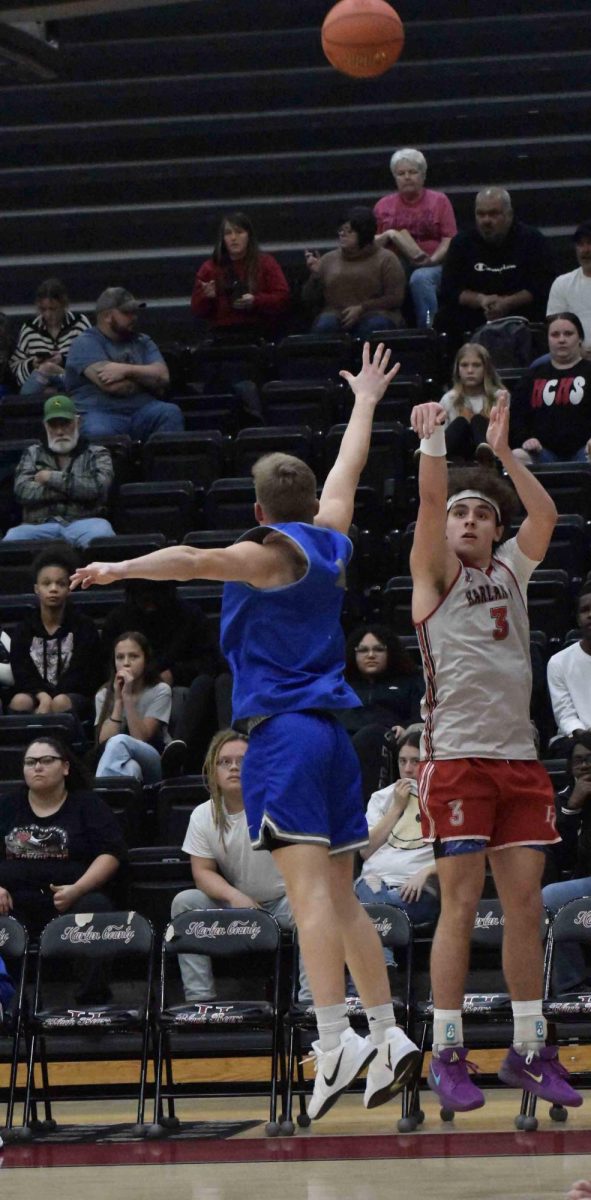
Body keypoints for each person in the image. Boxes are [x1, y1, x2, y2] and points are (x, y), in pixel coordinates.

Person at [71, 341, 421, 1123]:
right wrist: (364, 401)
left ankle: (334, 1043)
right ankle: (391, 1034)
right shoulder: (330, 536)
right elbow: (346, 474)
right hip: (334, 736)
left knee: (310, 902)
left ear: (259, 512)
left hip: (286, 736)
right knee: (341, 894)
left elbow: (192, 559)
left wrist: (119, 571)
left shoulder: (263, 557)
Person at [409, 392, 581, 1114]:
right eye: (459, 513)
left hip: (518, 760)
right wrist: (433, 445)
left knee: (521, 907)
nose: (468, 519)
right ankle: (446, 1052)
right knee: (459, 903)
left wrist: (506, 453)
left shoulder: (512, 567)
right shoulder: (432, 575)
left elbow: (546, 518)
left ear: (494, 528)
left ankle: (529, 1048)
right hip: (456, 760)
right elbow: (427, 503)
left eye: (480, 512)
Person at [171, 728, 310, 1003]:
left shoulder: (280, 803)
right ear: (213, 768)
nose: (234, 767)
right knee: (184, 902)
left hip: (287, 900)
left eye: (243, 760)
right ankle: (200, 1002)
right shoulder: (203, 814)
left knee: (313, 904)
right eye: (225, 761)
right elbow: (202, 872)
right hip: (239, 901)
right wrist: (236, 897)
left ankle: (310, 1002)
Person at [0, 736, 125, 934]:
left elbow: (110, 854)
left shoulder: (88, 805)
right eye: (30, 762)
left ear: (65, 767)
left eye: (47, 760)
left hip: (71, 900)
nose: (37, 767)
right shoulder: (7, 806)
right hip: (11, 903)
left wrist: (78, 889)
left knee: (96, 905)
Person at [436, 187, 555, 353]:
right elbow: (450, 289)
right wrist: (481, 300)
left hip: (522, 313)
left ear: (509, 214)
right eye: (481, 214)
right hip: (477, 313)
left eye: (493, 214)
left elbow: (542, 286)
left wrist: (507, 303)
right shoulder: (461, 243)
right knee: (444, 318)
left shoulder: (532, 240)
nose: (486, 220)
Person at [64, 287, 183, 441]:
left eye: (135, 312)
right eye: (127, 312)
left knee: (170, 413)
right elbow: (113, 387)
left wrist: (125, 370)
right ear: (107, 316)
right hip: (101, 414)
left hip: (143, 411)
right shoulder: (85, 343)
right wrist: (149, 381)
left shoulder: (143, 341)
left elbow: (163, 376)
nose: (134, 317)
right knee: (97, 431)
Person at [3, 394, 116, 547]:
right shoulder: (32, 453)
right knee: (12, 540)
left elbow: (97, 488)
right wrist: (73, 489)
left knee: (103, 535)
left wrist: (50, 478)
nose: (60, 431)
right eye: (53, 425)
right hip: (38, 525)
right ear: (45, 426)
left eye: (65, 423)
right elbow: (22, 491)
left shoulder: (97, 453)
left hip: (85, 523)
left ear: (78, 422)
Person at [354, 731, 439, 929]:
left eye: (415, 761)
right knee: (368, 889)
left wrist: (426, 872)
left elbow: (456, 855)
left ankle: (372, 914)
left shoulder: (440, 799)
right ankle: (386, 959)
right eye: (402, 761)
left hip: (417, 891)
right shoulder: (380, 798)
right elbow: (365, 851)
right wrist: (396, 808)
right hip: (373, 883)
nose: (408, 769)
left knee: (362, 913)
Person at [9, 545, 101, 718]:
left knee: (60, 702)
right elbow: (22, 673)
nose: (53, 588)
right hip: (36, 694)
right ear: (37, 589)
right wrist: (42, 696)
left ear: (69, 588)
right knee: (20, 700)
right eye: (46, 583)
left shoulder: (84, 626)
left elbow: (82, 673)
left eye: (60, 583)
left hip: (74, 695)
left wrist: (52, 698)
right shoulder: (24, 629)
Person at [373, 147, 457, 327]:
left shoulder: (439, 201)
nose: (407, 177)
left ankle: (429, 328)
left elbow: (449, 239)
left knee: (420, 278)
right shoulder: (383, 205)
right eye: (401, 173)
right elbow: (370, 243)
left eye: (412, 172)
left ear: (423, 175)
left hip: (434, 265)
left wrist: (433, 260)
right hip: (396, 265)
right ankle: (389, 325)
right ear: (395, 177)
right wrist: (390, 234)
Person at [340, 624, 424, 802]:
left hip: (390, 740)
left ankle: (369, 814)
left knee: (370, 736)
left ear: (390, 652)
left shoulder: (410, 680)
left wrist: (406, 728)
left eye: (378, 649)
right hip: (345, 742)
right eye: (363, 650)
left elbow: (421, 717)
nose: (371, 655)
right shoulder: (341, 685)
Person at [94, 631, 185, 784]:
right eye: (120, 657)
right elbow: (104, 744)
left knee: (119, 741)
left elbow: (141, 738)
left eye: (133, 656)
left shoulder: (160, 690)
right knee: (130, 768)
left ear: (145, 660)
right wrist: (117, 701)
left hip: (153, 756)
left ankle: (98, 797)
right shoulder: (103, 694)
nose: (126, 663)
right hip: (124, 761)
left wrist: (127, 697)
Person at [303, 206, 405, 338]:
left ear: (364, 233)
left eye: (349, 231)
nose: (342, 234)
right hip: (336, 314)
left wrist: (362, 308)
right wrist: (315, 275)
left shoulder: (386, 259)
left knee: (373, 328)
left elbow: (395, 298)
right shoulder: (328, 259)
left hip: (378, 313)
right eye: (340, 230)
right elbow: (308, 300)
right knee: (324, 327)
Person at [542, 733, 591, 995]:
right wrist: (573, 808)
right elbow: (560, 857)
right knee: (550, 897)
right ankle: (571, 986)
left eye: (589, 759)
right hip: (584, 881)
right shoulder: (563, 800)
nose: (584, 766)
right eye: (578, 760)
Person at [191, 211, 290, 339]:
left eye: (239, 232)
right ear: (222, 239)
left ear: (249, 236)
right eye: (228, 233)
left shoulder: (266, 263)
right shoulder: (209, 268)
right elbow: (197, 311)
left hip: (259, 331)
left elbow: (283, 298)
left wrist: (256, 301)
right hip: (221, 334)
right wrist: (206, 298)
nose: (233, 238)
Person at [509, 312, 591, 464]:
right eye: (555, 335)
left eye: (568, 334)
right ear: (547, 339)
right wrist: (526, 439)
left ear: (580, 338)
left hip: (585, 452)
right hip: (542, 453)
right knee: (517, 455)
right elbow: (517, 417)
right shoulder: (531, 376)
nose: (561, 340)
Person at [9, 277, 90, 392]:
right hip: (40, 387)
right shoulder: (30, 328)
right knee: (46, 381)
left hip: (70, 383)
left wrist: (63, 360)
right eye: (43, 309)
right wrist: (33, 364)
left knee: (48, 369)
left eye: (53, 309)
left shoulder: (79, 323)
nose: (48, 315)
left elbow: (91, 359)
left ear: (63, 305)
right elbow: (15, 365)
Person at [439, 343, 506, 463]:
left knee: (478, 420)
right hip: (455, 455)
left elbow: (507, 434)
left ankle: (486, 452)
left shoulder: (500, 397)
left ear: (486, 368)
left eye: (476, 365)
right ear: (457, 369)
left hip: (493, 456)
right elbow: (441, 433)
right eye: (464, 365)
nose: (470, 370)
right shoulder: (449, 398)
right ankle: (432, 455)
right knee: (460, 422)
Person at [547, 585, 591, 758]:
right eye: (585, 610)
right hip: (577, 737)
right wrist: (584, 736)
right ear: (578, 619)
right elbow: (565, 716)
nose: (590, 615)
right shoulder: (558, 662)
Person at [547, 221, 591, 355]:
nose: (585, 250)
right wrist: (578, 352)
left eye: (590, 243)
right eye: (580, 244)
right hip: (574, 360)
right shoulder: (562, 284)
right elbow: (554, 329)